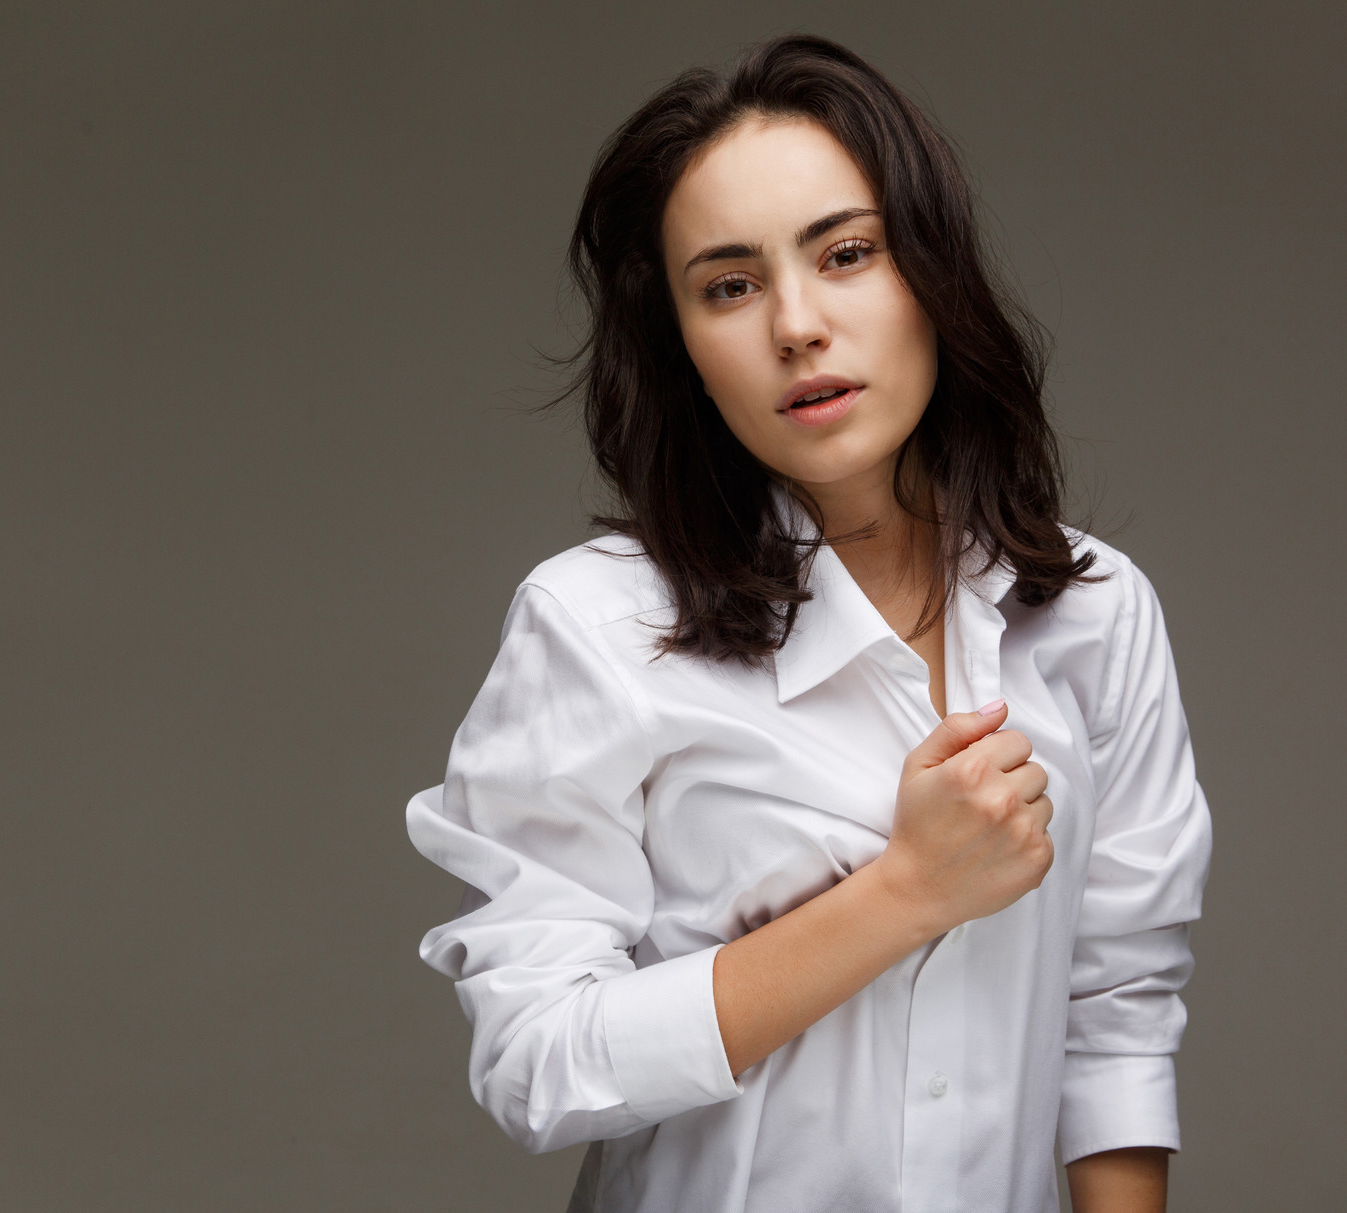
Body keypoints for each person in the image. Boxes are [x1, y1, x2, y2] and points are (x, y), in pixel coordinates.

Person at [406, 33, 1212, 1213]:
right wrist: (905, 891)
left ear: (930, 274)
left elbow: (1118, 1009)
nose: (795, 324)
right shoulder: (594, 625)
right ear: (681, 345)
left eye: (845, 254)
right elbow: (538, 1062)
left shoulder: (1095, 610)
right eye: (728, 285)